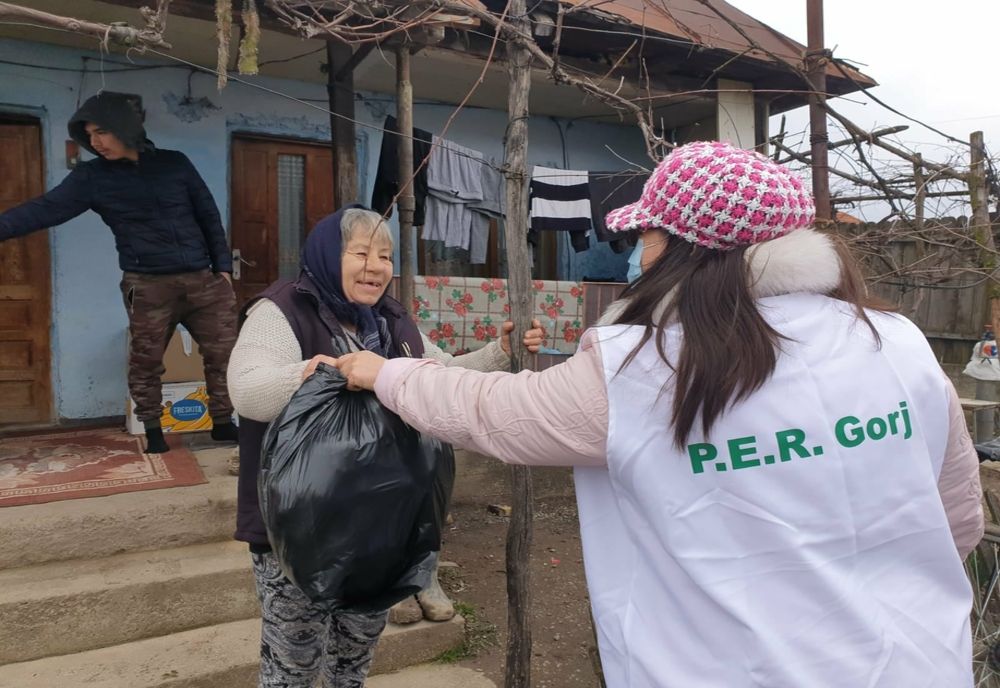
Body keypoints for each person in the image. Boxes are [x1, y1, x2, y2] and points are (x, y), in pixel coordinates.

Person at [332, 141, 985, 688]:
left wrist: (386, 372)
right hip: (921, 663)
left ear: (684, 248)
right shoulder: (895, 340)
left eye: (647, 235)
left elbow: (494, 413)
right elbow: (957, 520)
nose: (639, 255)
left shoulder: (641, 366)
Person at [227, 205, 544, 687]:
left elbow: (441, 377)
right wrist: (317, 373)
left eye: (385, 255)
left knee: (353, 657)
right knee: (292, 662)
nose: (375, 266)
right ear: (328, 254)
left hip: (380, 526)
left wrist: (500, 350)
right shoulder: (283, 310)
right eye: (360, 252)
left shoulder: (392, 320)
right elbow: (248, 390)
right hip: (297, 527)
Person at [0, 91, 238, 454]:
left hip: (202, 281)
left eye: (102, 132)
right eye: (89, 135)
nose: (95, 142)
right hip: (148, 285)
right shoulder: (91, 178)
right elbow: (45, 209)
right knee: (146, 361)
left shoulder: (175, 164)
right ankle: (154, 432)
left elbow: (208, 215)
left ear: (124, 128)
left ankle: (223, 423)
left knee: (224, 355)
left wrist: (221, 268)